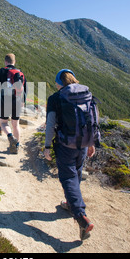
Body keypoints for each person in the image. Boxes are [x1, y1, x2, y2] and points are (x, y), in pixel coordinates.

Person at [44, 69, 97, 240]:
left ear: (60, 82)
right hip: (83, 144)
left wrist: (46, 146)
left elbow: (51, 124)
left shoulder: (55, 98)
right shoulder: (86, 94)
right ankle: (69, 204)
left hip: (65, 145)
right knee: (77, 173)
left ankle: (81, 216)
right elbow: (94, 119)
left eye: (56, 82)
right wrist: (92, 142)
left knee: (68, 178)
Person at [0, 53, 27, 154]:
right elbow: (25, 89)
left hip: (5, 100)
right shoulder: (19, 73)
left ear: (5, 62)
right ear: (14, 62)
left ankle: (10, 137)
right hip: (17, 100)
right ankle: (16, 145)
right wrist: (23, 101)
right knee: (16, 125)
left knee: (3, 122)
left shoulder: (1, 71)